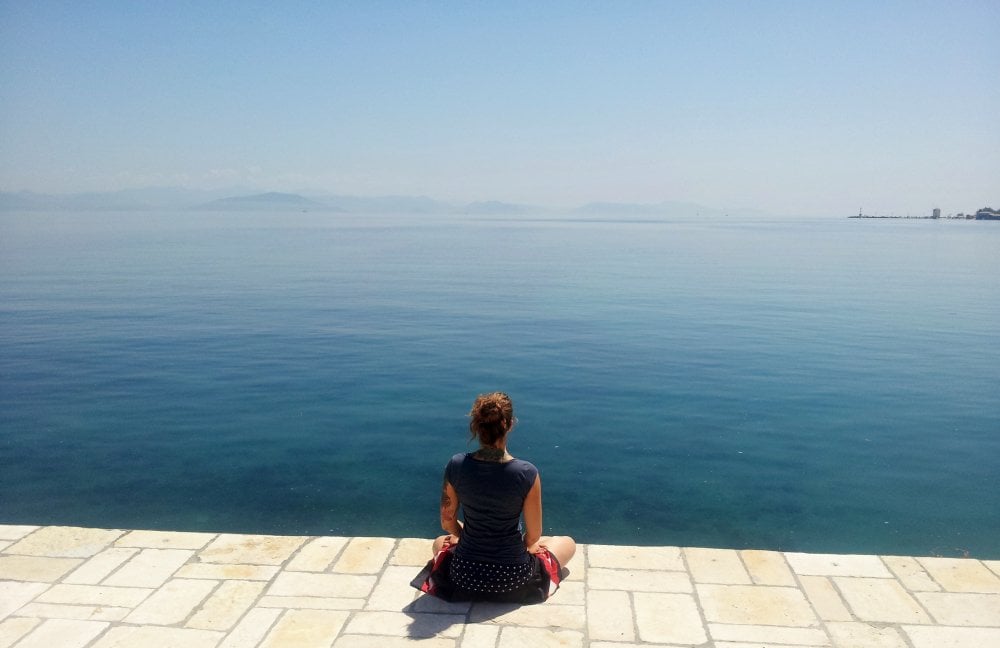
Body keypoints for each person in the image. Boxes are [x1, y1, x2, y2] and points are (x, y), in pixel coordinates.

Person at [411, 392, 576, 604]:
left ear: (476, 426)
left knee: (439, 542)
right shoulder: (526, 473)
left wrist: (463, 537)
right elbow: (533, 536)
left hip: (464, 577)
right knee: (567, 543)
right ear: (509, 424)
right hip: (513, 579)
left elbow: (447, 522)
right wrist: (527, 548)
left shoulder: (456, 465)